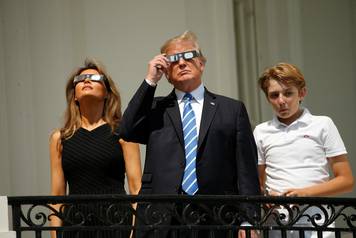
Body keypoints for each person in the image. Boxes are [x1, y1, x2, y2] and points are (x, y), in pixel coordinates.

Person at [119, 31, 260, 238]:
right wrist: (150, 80)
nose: (182, 63)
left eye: (188, 56)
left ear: (201, 63)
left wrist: (249, 220)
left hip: (217, 217)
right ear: (166, 72)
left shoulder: (232, 109)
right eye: (174, 59)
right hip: (162, 218)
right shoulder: (156, 108)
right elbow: (127, 129)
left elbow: (246, 170)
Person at [254, 62, 354, 238]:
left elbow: (346, 180)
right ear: (267, 98)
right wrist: (266, 197)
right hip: (276, 224)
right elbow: (257, 182)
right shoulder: (261, 131)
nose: (281, 101)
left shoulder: (323, 124)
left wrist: (305, 193)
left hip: (318, 222)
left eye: (288, 93)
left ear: (302, 93)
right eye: (274, 95)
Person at [49, 58, 142, 238]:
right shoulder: (60, 138)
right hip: (76, 224)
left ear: (106, 92)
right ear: (74, 95)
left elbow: (136, 188)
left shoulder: (123, 134)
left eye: (94, 77)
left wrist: (134, 234)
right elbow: (57, 197)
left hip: (116, 222)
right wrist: (54, 236)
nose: (86, 80)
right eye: (80, 79)